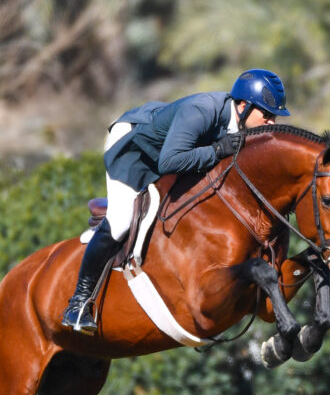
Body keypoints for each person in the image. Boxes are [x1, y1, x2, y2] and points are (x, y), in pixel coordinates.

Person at [61, 68, 291, 335]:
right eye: (267, 115)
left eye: (274, 117)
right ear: (243, 106)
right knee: (121, 221)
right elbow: (169, 162)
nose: (271, 123)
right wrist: (218, 149)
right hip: (134, 149)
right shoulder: (202, 111)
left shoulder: (243, 124)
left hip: (169, 149)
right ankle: (79, 303)